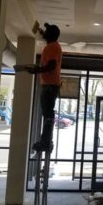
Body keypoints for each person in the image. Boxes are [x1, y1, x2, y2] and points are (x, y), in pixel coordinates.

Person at [27, 22, 62, 151]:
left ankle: (45, 143)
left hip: (49, 85)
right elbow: (48, 36)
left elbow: (51, 65)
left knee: (48, 116)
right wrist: (43, 30)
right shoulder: (53, 45)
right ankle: (46, 142)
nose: (44, 34)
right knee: (48, 115)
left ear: (50, 35)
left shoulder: (52, 47)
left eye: (46, 33)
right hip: (50, 85)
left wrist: (36, 71)